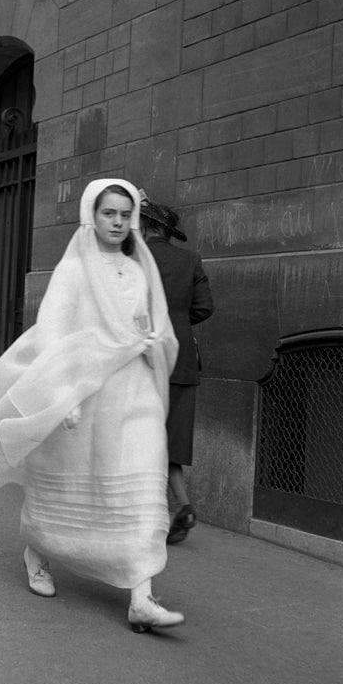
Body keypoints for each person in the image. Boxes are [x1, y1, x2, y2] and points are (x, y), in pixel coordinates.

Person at [0, 178, 186, 633]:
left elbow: (152, 324)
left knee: (144, 482)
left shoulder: (140, 270)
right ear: (93, 214)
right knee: (69, 484)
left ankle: (141, 596)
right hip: (85, 391)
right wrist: (60, 393)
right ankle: (37, 553)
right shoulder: (73, 271)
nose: (118, 222)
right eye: (109, 213)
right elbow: (52, 332)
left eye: (125, 215)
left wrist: (154, 344)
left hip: (134, 389)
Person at [138, 192, 214, 544]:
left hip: (140, 358)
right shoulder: (191, 261)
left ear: (144, 225)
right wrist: (178, 320)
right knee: (169, 440)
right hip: (181, 358)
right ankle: (182, 503)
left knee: (136, 436)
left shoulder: (134, 257)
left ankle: (142, 514)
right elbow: (205, 308)